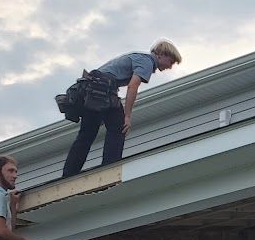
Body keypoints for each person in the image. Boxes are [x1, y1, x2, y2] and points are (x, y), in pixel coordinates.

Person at [61, 40, 183, 178]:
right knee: (119, 127)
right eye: (171, 62)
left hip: (93, 88)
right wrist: (128, 116)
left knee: (86, 135)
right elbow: (133, 86)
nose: (170, 67)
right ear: (161, 54)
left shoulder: (139, 57)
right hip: (101, 89)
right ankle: (110, 169)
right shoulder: (147, 61)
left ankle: (69, 174)